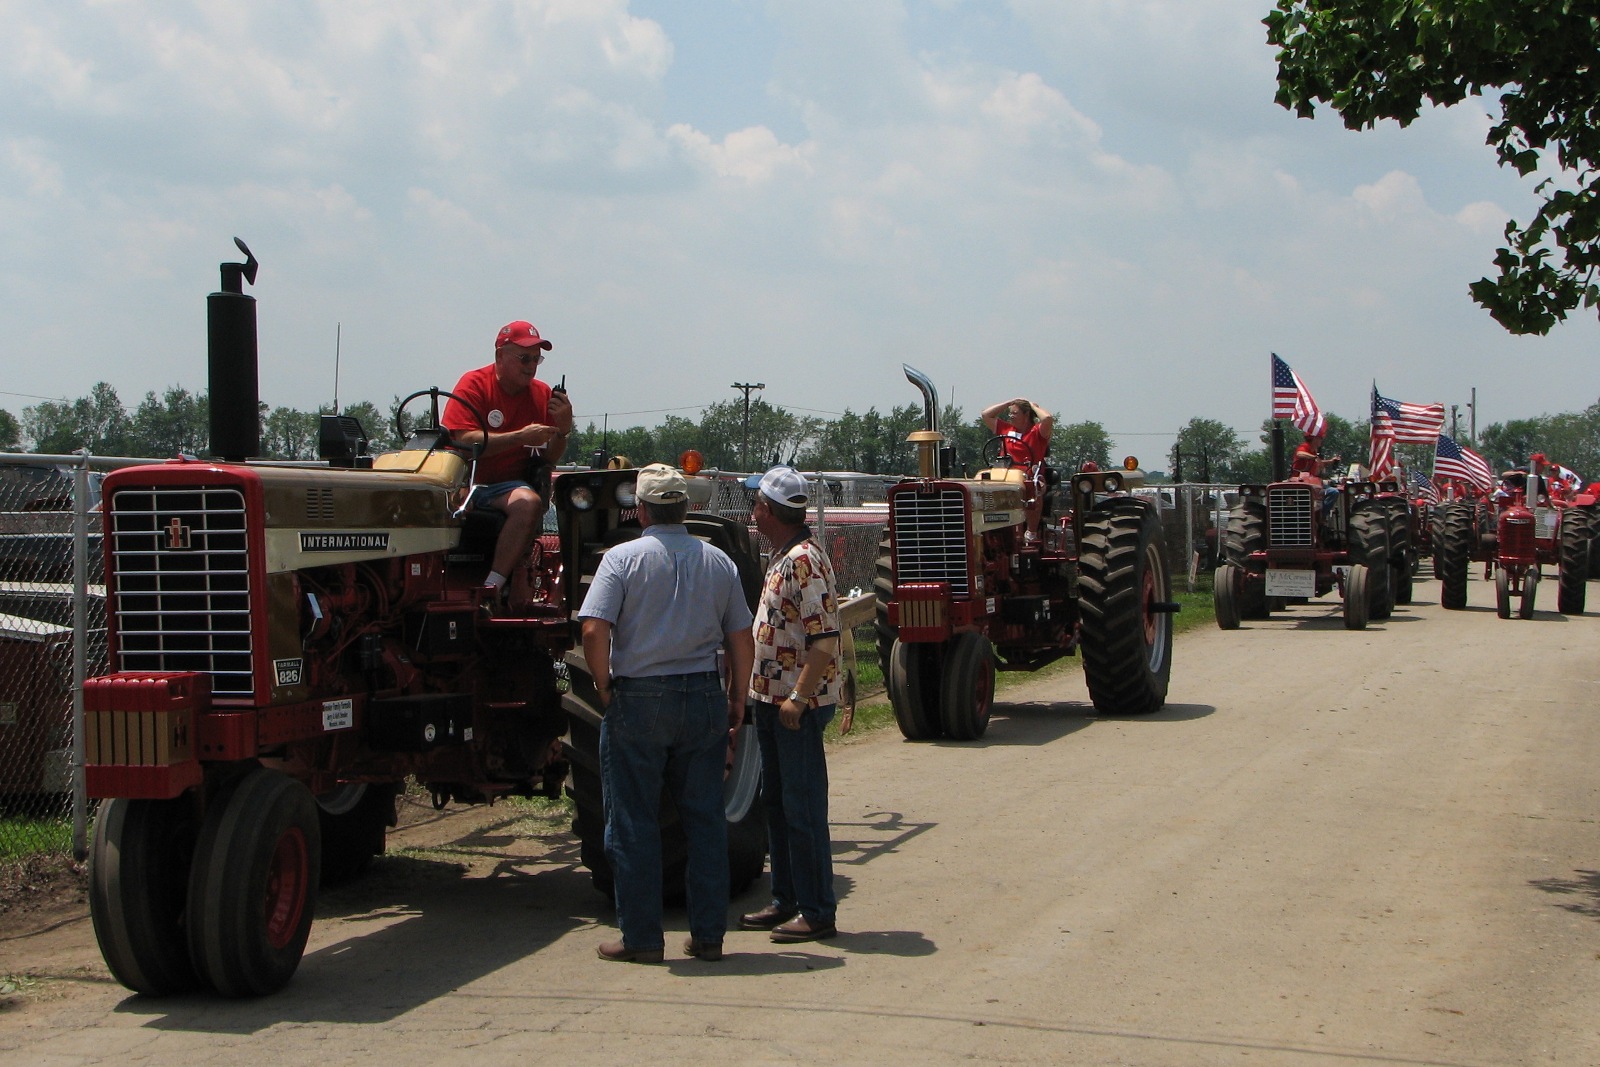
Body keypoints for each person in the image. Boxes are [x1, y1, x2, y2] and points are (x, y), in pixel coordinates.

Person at [578, 464, 755, 964]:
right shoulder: (719, 560)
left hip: (639, 697)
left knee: (633, 822)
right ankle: (708, 936)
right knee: (704, 821)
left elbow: (594, 630)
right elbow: (740, 636)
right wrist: (736, 696)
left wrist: (604, 685)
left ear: (640, 510)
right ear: (687, 508)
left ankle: (641, 938)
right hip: (702, 696)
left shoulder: (621, 559)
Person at [741, 466, 844, 944]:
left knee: (801, 808)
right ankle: (786, 899)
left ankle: (818, 909)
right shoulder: (784, 554)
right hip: (772, 699)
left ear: (769, 511)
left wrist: (799, 699)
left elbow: (824, 640)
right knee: (778, 804)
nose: (752, 511)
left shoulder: (803, 561)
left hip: (793, 705)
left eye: (756, 504)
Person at [442, 320, 574, 601]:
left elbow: (549, 457)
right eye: (524, 357)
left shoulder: (541, 395)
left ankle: (493, 585)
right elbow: (463, 441)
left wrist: (563, 429)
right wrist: (517, 437)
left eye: (536, 359)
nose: (531, 366)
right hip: (466, 479)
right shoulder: (474, 384)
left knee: (529, 503)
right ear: (500, 355)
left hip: (507, 486)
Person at [981, 396, 1054, 468]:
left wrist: (1034, 407)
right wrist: (1009, 403)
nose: (1011, 416)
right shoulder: (1006, 429)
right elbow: (986, 414)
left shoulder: (1037, 432)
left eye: (1015, 413)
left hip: (1028, 477)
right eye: (1010, 413)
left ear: (1026, 414)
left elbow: (1047, 418)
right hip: (1005, 475)